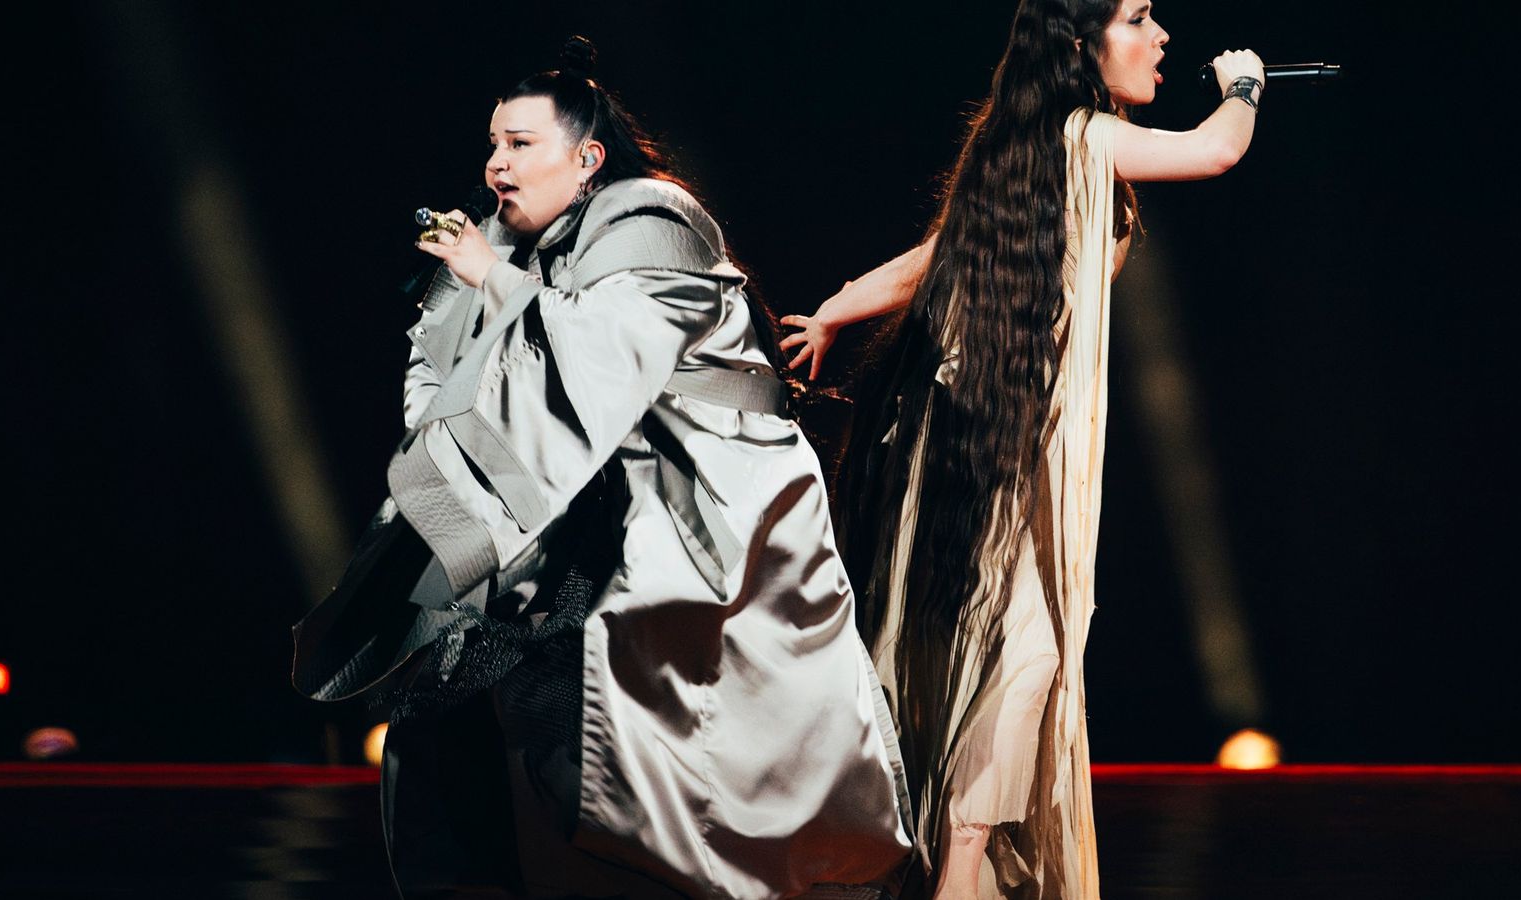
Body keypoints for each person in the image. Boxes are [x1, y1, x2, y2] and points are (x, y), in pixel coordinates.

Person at [292, 37, 912, 900]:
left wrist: (490, 281)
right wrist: (473, 289)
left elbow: (598, 358)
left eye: (520, 145)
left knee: (658, 729)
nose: (496, 164)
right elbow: (443, 376)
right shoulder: (514, 243)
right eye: (492, 144)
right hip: (579, 506)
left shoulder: (650, 215)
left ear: (587, 158)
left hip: (701, 504)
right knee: (457, 693)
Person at [778, 2, 1264, 897]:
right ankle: (956, 868)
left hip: (997, 437)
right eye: (1139, 19)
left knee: (1011, 652)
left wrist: (840, 308)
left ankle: (951, 861)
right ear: (1083, 45)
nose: (1161, 38)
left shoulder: (1040, 145)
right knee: (1023, 653)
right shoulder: (1083, 137)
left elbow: (938, 256)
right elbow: (1218, 148)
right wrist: (1246, 81)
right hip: (987, 443)